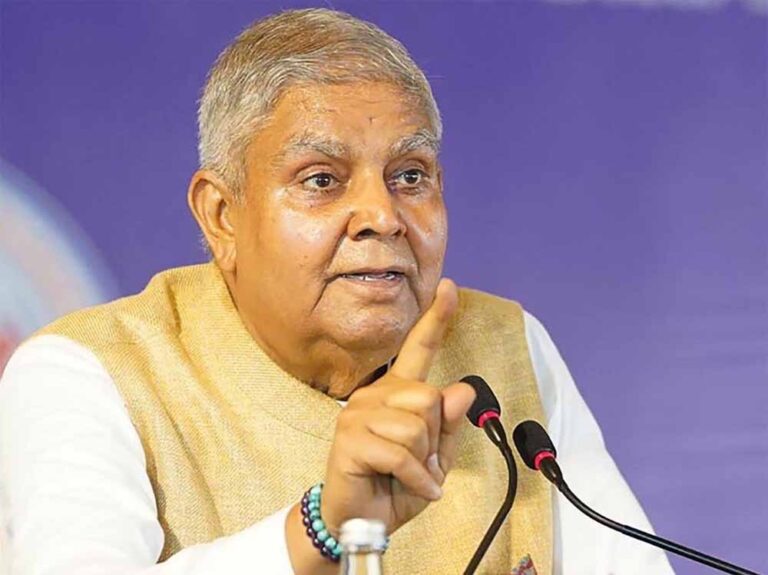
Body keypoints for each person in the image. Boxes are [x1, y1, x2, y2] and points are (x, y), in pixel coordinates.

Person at [0, 8, 674, 575]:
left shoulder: (505, 351)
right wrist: (322, 525)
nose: (383, 215)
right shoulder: (89, 371)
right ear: (222, 215)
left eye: (410, 176)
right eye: (321, 179)